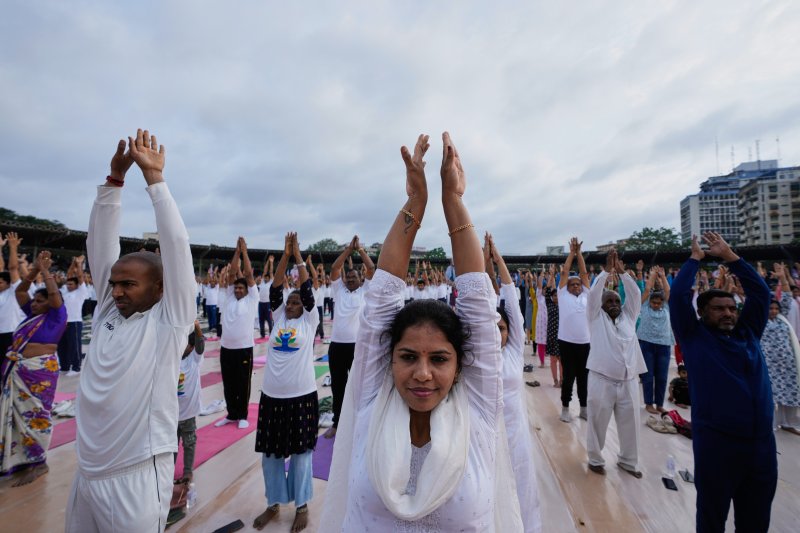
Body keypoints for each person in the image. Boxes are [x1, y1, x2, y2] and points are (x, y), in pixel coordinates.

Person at [320, 132, 522, 532]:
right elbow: (380, 303)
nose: (423, 373)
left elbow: (480, 309)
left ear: (463, 365)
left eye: (440, 359)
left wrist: (453, 200)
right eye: (408, 356)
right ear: (387, 358)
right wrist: (417, 202)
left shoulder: (478, 410)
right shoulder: (372, 400)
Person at [65, 130, 196, 533]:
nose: (116, 291)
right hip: (86, 472)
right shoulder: (108, 311)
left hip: (136, 475)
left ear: (160, 288)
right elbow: (98, 244)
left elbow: (177, 245)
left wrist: (155, 181)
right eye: (114, 283)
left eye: (128, 285)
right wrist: (113, 184)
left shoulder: (169, 322)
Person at [670, 232, 776, 533]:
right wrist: (694, 261)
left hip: (761, 446)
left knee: (756, 521)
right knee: (712, 517)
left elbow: (761, 295)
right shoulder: (694, 337)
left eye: (731, 308)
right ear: (702, 313)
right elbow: (678, 297)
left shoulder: (749, 333)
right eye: (719, 308)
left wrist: (731, 258)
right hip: (717, 444)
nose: (728, 313)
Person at [252, 232, 320, 532]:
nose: (292, 303)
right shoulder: (278, 317)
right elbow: (276, 286)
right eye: (289, 302)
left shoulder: (310, 319)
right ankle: (273, 503)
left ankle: (302, 506)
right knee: (271, 455)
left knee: (302, 456)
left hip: (302, 396)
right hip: (272, 397)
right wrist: (284, 256)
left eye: (297, 302)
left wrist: (298, 256)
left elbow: (305, 288)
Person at [486, 233, 542, 532]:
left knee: (520, 484)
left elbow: (510, 295)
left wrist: (497, 260)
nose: (498, 333)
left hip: (515, 432)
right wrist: (482, 263)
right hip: (486, 434)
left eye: (502, 328)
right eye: (492, 328)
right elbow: (481, 298)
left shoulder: (512, 351)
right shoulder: (477, 356)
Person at [0, 250, 66, 486]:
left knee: (36, 416)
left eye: (41, 301)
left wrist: (46, 271)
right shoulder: (31, 314)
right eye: (35, 301)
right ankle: (19, 462)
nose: (35, 304)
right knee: (16, 418)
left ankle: (39, 463)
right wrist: (35, 269)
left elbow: (55, 296)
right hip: (18, 371)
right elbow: (19, 291)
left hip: (39, 373)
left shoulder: (57, 316)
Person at [585, 249, 646, 478]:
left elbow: (636, 296)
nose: (613, 303)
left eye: (616, 300)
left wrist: (623, 275)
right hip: (602, 380)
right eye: (608, 301)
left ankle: (628, 461)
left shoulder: (629, 317)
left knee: (631, 424)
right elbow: (593, 296)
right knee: (597, 423)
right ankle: (595, 458)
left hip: (629, 381)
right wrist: (605, 273)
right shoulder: (595, 317)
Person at [324, 234, 374, 438]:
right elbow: (335, 269)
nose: (351, 280)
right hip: (336, 346)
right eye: (349, 278)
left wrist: (360, 249)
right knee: (338, 386)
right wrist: (347, 250)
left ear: (360, 280)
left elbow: (372, 269)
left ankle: (359, 423)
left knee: (359, 386)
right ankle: (337, 423)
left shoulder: (365, 291)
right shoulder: (340, 291)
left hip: (357, 346)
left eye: (354, 278)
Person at [216, 237, 259, 429]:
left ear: (247, 290)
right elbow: (233, 273)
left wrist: (245, 253)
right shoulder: (228, 298)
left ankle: (242, 414)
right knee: (229, 383)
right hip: (226, 347)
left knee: (243, 383)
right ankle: (231, 414)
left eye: (242, 288)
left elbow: (248, 274)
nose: (239, 290)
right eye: (237, 287)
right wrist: (236, 252)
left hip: (244, 348)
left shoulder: (252, 299)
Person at [760, 263, 800, 435]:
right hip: (769, 363)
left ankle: (789, 422)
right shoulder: (760, 321)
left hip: (786, 362)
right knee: (770, 394)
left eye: (776, 308)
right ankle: (770, 424)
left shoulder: (782, 319)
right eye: (771, 308)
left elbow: (786, 295)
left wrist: (783, 277)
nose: (774, 311)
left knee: (790, 391)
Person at [558, 237, 591, 422]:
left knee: (584, 378)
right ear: (567, 287)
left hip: (585, 343)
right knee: (568, 376)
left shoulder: (587, 295)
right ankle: (565, 407)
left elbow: (584, 273)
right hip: (566, 343)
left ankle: (584, 408)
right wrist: (572, 253)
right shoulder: (563, 295)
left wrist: (580, 255)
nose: (576, 286)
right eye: (573, 284)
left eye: (578, 284)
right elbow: (564, 273)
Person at [637, 266, 674, 414]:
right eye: (654, 302)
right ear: (650, 302)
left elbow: (668, 291)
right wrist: (652, 275)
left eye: (659, 302)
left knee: (662, 376)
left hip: (664, 345)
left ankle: (659, 403)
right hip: (647, 344)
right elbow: (647, 291)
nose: (656, 305)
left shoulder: (666, 307)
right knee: (648, 375)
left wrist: (663, 276)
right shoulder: (645, 306)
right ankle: (648, 403)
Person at [176, 321, 205, 483]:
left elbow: (200, 344)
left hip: (188, 413)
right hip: (171, 413)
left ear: (192, 347)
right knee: (171, 445)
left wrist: (197, 327)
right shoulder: (171, 359)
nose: (182, 347)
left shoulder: (195, 359)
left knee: (189, 443)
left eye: (186, 344)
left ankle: (187, 471)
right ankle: (167, 470)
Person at [58, 255, 89, 376]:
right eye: (68, 284)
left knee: (74, 345)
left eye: (71, 284)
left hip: (74, 322)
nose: (68, 286)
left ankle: (76, 367)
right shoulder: (65, 291)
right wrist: (73, 262)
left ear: (77, 285)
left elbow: (80, 277)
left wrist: (79, 264)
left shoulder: (81, 292)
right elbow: (69, 273)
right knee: (62, 346)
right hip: (63, 323)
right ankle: (64, 366)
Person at [0, 232, 25, 358]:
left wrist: (13, 247)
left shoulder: (13, 290)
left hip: (9, 333)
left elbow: (13, 268)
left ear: (9, 283)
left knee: (8, 366)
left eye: (1, 282)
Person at [257, 255, 275, 339]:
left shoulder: (271, 282)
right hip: (260, 303)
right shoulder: (261, 283)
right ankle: (262, 334)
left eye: (267, 278)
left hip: (268, 303)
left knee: (269, 320)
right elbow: (265, 271)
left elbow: (271, 272)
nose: (266, 278)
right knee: (261, 320)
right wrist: (267, 261)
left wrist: (271, 262)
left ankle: (271, 333)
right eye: (265, 277)